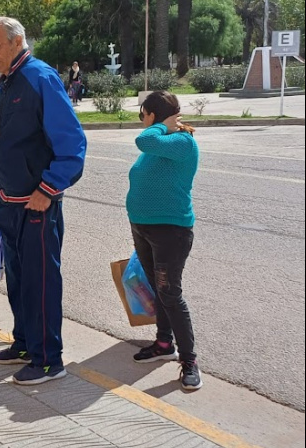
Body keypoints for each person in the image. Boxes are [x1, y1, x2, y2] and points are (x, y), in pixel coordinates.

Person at [0, 17, 87, 385]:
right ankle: (25, 344)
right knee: (18, 279)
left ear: (17, 42)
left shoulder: (39, 78)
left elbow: (72, 146)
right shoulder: (9, 80)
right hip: (9, 203)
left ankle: (48, 360)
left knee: (40, 283)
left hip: (36, 205)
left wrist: (48, 189)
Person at [128, 91, 201, 390]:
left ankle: (189, 360)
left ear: (153, 115)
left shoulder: (182, 143)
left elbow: (144, 140)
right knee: (158, 290)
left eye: (143, 115)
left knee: (170, 294)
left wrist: (165, 123)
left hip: (170, 231)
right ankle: (163, 344)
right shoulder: (161, 143)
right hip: (144, 228)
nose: (142, 122)